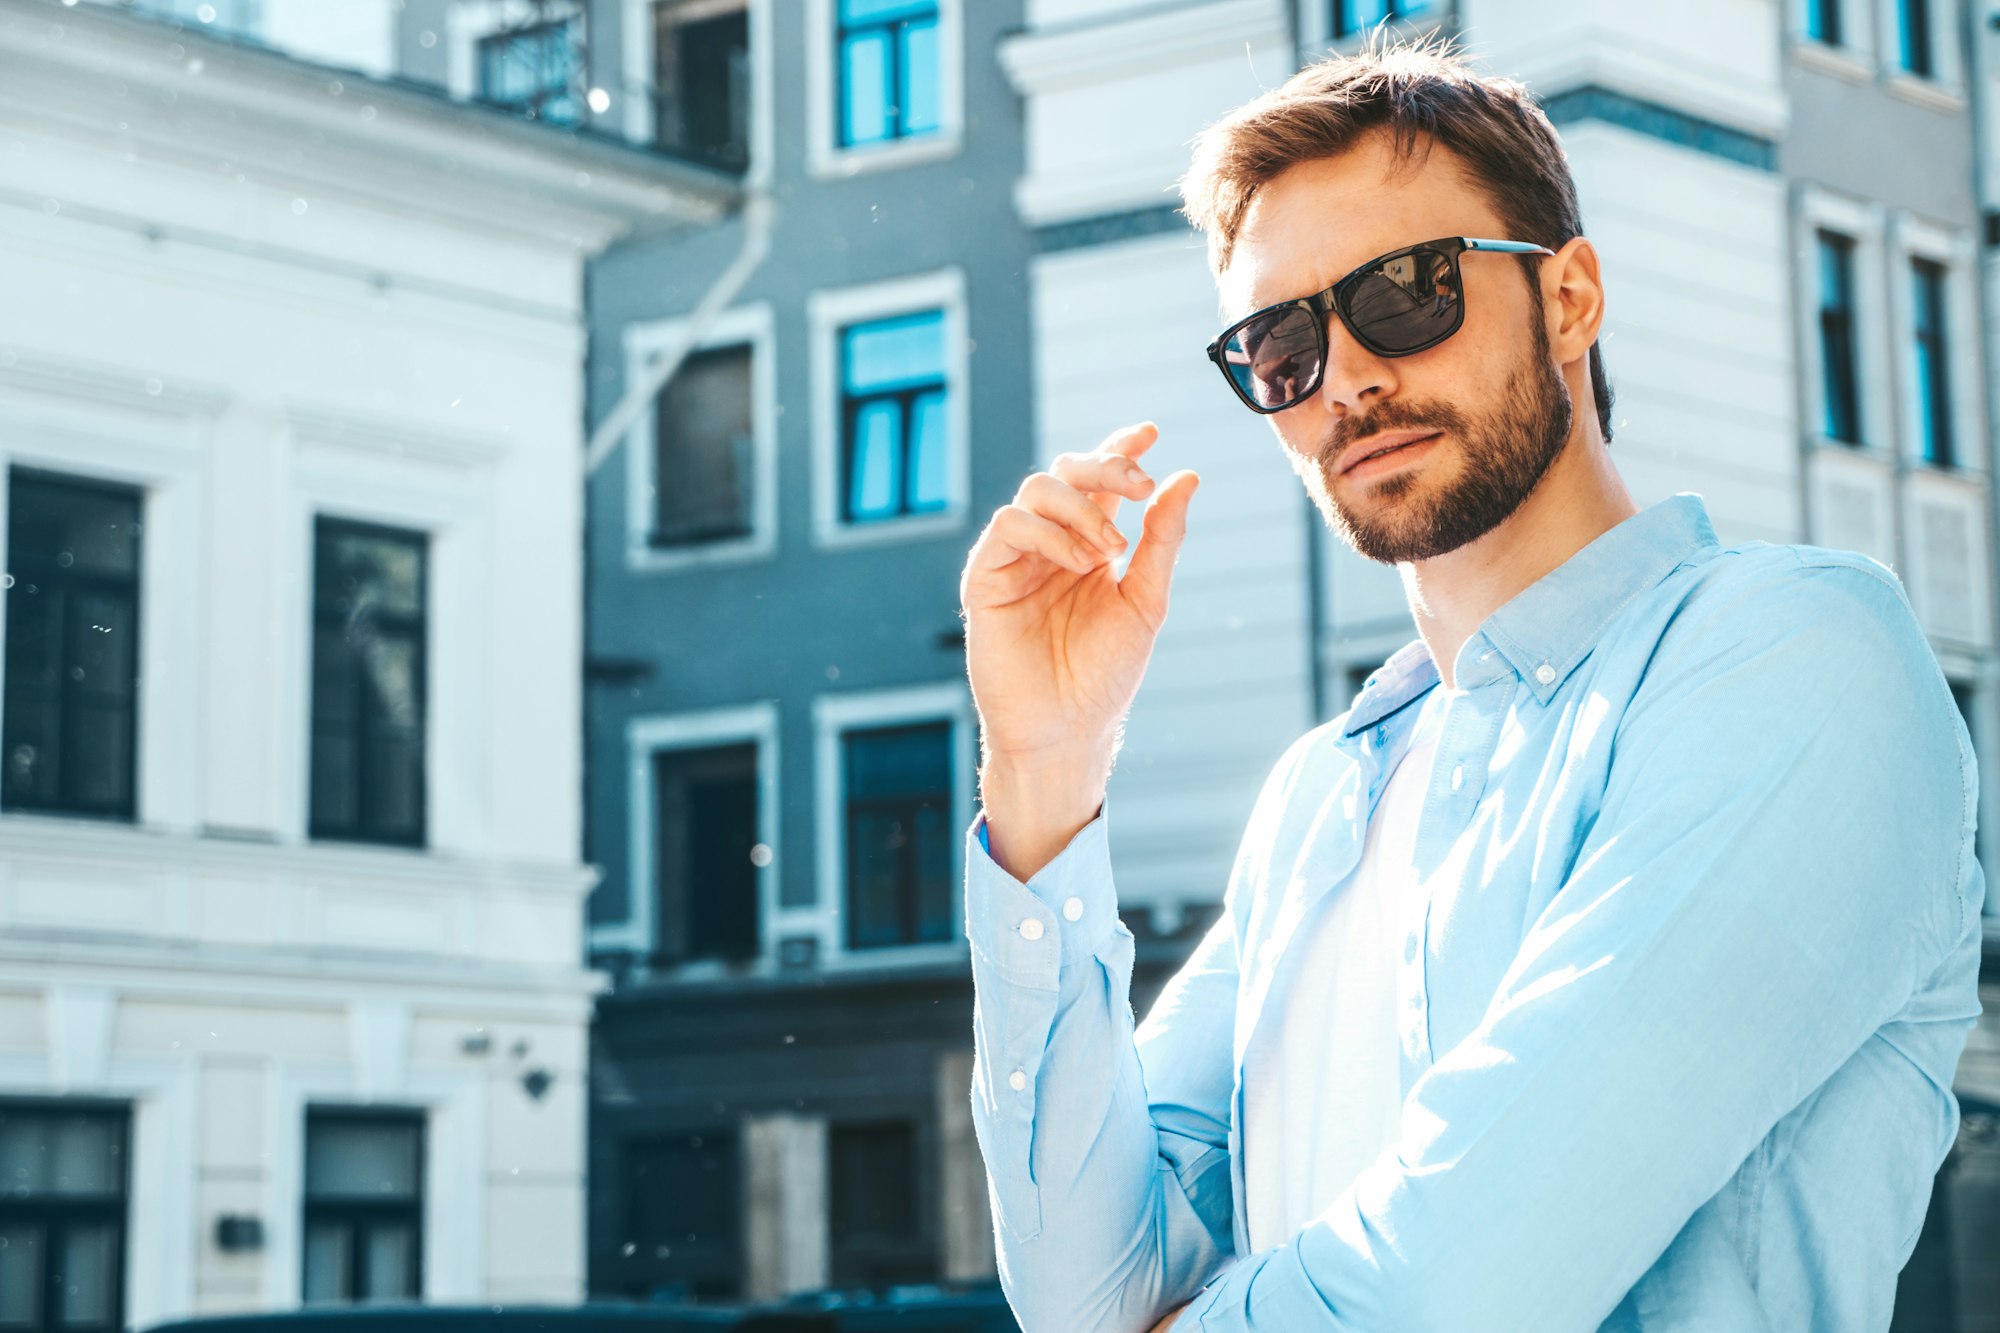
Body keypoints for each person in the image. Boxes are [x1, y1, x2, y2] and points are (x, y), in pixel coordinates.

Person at [955, 38, 1985, 1333]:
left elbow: (1447, 1290)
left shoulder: (1795, 659)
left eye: (1407, 291)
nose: (1353, 378)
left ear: (1568, 299)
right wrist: (1045, 771)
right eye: (1283, 344)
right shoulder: (1324, 793)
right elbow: (1085, 1289)